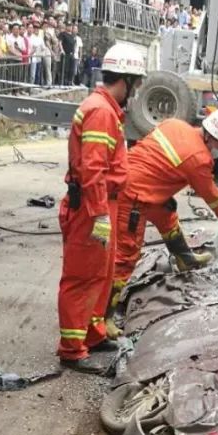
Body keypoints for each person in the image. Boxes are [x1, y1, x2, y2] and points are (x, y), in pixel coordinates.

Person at [107, 110, 218, 336]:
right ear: (210, 137)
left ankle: (185, 259)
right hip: (133, 196)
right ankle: (105, 318)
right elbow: (209, 192)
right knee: (126, 256)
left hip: (138, 181)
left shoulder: (175, 124)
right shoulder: (198, 158)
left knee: (167, 214)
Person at [57, 42, 145, 373]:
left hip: (104, 203)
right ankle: (71, 348)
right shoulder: (100, 112)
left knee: (101, 275)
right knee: (81, 277)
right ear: (123, 80)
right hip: (91, 207)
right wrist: (99, 215)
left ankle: (92, 335)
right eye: (134, 85)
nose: (134, 93)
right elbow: (92, 170)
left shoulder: (106, 109)